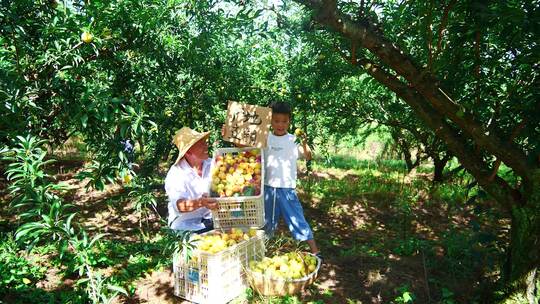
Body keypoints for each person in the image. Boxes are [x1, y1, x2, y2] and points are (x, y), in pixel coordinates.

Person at [264, 102, 321, 258]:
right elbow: (246, 148)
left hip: (287, 189)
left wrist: (303, 141)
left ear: (289, 121)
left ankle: (315, 251)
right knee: (267, 222)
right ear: (270, 121)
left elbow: (308, 156)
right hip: (268, 188)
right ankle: (263, 251)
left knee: (297, 219)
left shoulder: (293, 140)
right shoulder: (265, 138)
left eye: (284, 121)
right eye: (276, 121)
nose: (280, 124)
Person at [164, 127, 218, 233]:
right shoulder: (176, 173)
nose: (206, 146)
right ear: (188, 152)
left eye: (205, 143)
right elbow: (179, 205)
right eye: (201, 144)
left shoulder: (212, 164)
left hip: (211, 221)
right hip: (185, 226)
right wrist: (200, 202)